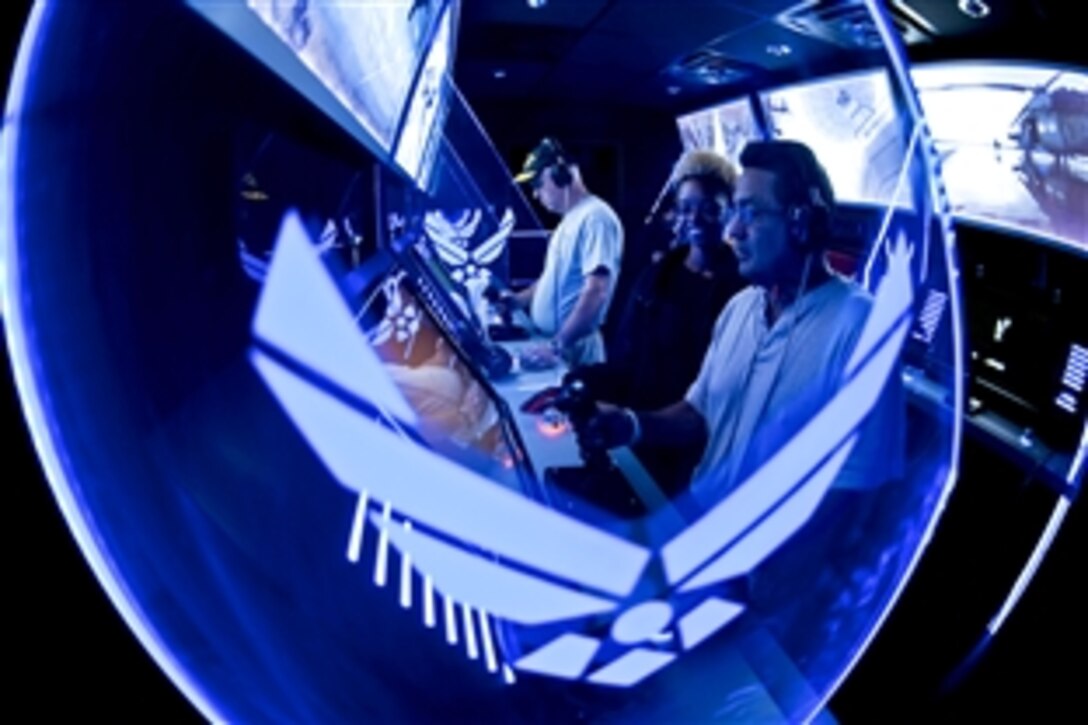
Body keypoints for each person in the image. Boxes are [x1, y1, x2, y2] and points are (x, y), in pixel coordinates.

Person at [575, 139, 904, 510]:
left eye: (750, 213)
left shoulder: (860, 326)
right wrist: (631, 424)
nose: (732, 230)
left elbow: (854, 499)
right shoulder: (740, 307)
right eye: (734, 212)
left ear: (802, 222)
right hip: (695, 519)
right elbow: (698, 414)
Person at [566, 149, 746, 495]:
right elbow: (626, 364)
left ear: (730, 212)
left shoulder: (745, 292)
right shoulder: (655, 280)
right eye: (686, 208)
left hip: (698, 450)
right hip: (638, 437)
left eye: (710, 208)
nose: (696, 218)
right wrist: (579, 383)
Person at [502, 138, 624, 367]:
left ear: (562, 175)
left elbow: (597, 290)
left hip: (573, 350)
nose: (536, 195)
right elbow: (552, 278)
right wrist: (517, 301)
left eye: (538, 184)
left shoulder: (596, 218)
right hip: (558, 346)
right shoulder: (570, 219)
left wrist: (558, 345)